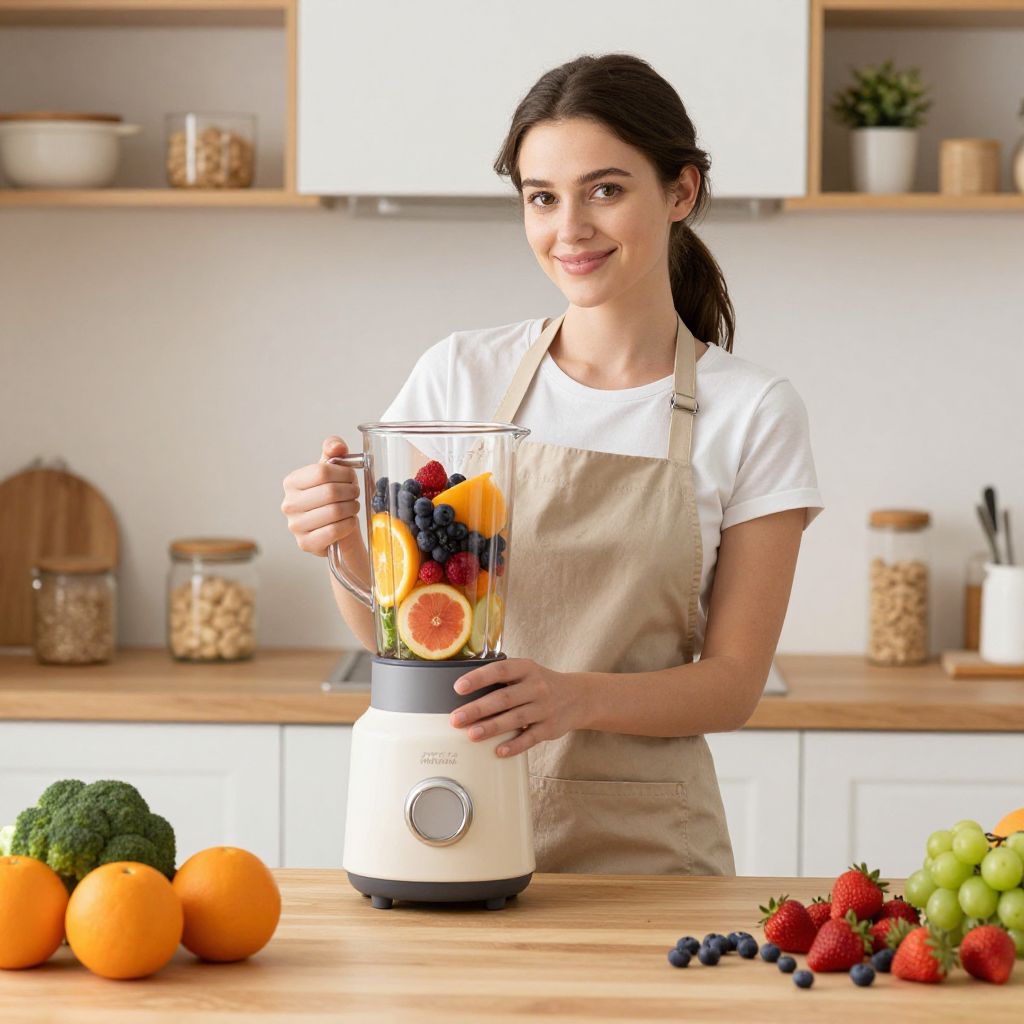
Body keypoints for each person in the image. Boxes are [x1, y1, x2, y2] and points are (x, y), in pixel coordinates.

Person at [281, 53, 823, 875]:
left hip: (649, 858)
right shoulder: (459, 376)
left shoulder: (753, 410)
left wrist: (576, 697)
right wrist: (342, 540)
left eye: (604, 190)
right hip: (450, 827)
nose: (568, 228)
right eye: (542, 197)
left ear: (680, 192)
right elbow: (402, 632)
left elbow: (735, 683)